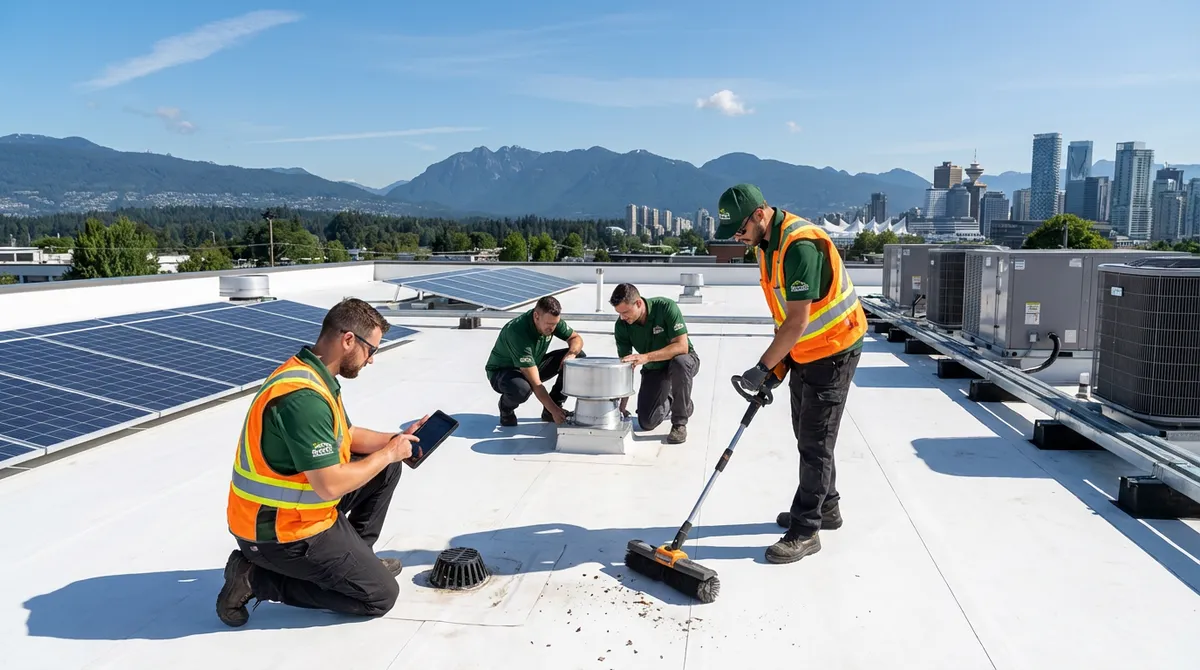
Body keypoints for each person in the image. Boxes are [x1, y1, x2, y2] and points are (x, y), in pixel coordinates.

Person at [216, 297, 429, 626]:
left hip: (295, 515)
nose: (371, 360)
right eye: (370, 350)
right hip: (279, 534)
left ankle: (358, 562)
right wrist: (387, 453)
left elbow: (347, 433)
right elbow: (329, 485)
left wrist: (396, 441)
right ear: (348, 340)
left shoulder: (312, 374)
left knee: (387, 468)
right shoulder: (304, 399)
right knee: (380, 596)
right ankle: (254, 579)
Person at [718, 183, 867, 565]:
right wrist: (780, 363)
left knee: (815, 442)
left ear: (759, 214)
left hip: (834, 349)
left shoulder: (799, 245)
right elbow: (784, 316)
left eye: (740, 228)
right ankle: (827, 507)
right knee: (806, 432)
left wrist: (762, 367)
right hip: (805, 351)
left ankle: (806, 529)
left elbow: (799, 319)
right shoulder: (767, 246)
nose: (738, 236)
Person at [609, 283, 699, 444]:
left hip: (683, 361)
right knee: (647, 422)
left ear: (638, 303)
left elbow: (682, 346)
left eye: (625, 312)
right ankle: (679, 401)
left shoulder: (665, 307)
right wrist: (621, 407)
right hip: (655, 369)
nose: (622, 317)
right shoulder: (621, 325)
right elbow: (625, 367)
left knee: (680, 363)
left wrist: (646, 357)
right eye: (619, 313)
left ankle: (679, 423)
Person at [485, 295, 585, 426]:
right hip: (503, 372)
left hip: (533, 363)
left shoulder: (551, 320)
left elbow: (576, 338)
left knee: (578, 358)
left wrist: (571, 354)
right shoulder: (517, 332)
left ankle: (551, 409)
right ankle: (506, 409)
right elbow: (536, 384)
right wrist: (556, 411)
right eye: (549, 324)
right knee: (521, 389)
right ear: (536, 316)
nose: (552, 328)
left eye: (555, 324)